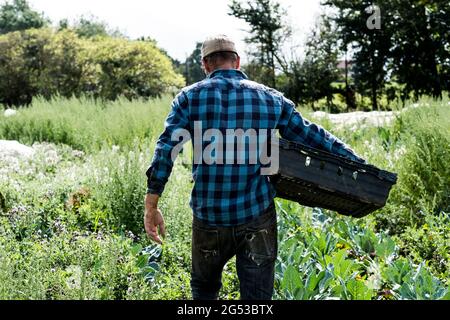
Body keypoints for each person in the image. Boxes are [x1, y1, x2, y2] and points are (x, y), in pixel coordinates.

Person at [144, 35, 365, 300]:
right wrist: (357, 163)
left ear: (205, 64)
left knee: (204, 291)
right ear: (237, 61)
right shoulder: (271, 98)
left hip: (209, 218)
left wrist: (152, 205)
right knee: (258, 298)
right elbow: (313, 136)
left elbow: (166, 148)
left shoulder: (189, 98)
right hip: (256, 217)